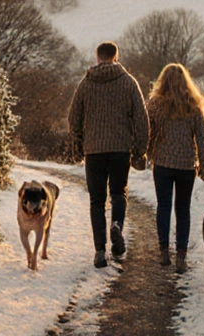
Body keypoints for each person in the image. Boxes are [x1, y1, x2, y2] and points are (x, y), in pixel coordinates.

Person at [67, 41, 149, 268]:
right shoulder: (128, 82)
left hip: (93, 150)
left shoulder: (86, 83)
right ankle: (116, 226)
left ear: (97, 58)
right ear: (115, 57)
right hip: (120, 149)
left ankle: (100, 251)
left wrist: (78, 142)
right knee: (118, 193)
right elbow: (142, 118)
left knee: (96, 200)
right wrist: (140, 149)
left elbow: (73, 117)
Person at [145, 63, 204, 273]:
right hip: (186, 165)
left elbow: (148, 132)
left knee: (163, 206)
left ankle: (164, 251)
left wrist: (145, 153)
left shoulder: (155, 105)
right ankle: (181, 257)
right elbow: (203, 138)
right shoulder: (194, 106)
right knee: (183, 210)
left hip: (163, 163)